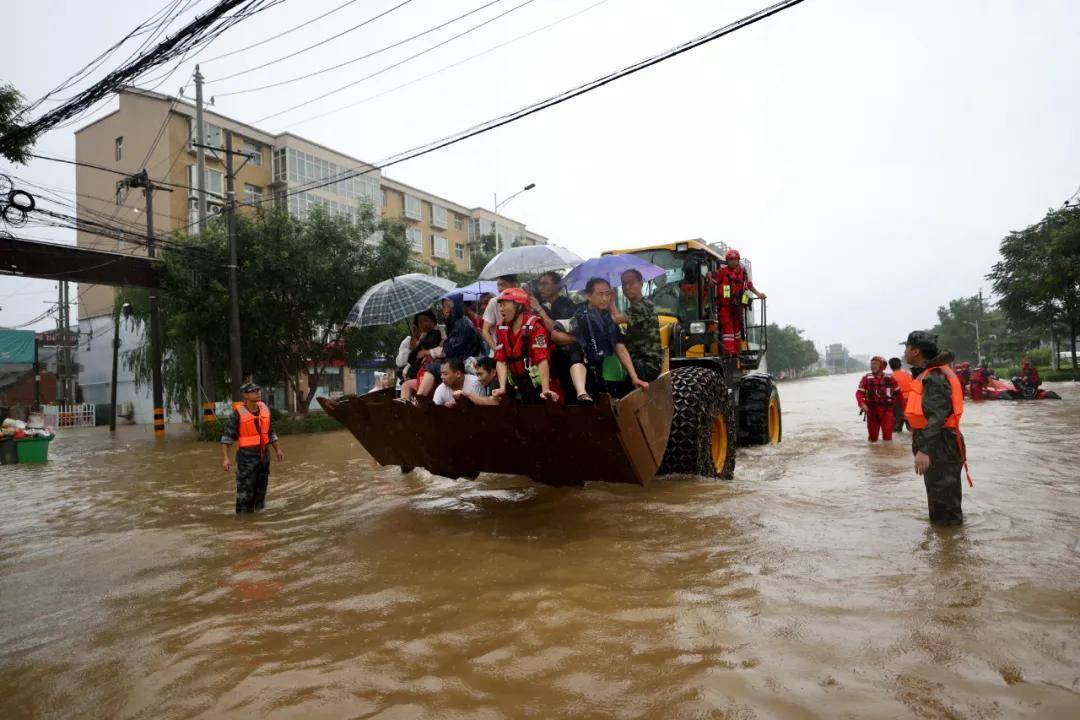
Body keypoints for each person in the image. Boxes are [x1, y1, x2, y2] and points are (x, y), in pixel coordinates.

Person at [902, 331, 970, 527]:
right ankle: (947, 547)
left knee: (945, 506)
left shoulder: (934, 376)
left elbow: (937, 416)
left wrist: (924, 450)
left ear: (915, 351)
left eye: (906, 348)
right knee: (940, 500)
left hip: (941, 445)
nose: (905, 352)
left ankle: (951, 550)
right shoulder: (930, 373)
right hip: (940, 443)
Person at [553, 278, 649, 403]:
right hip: (579, 375)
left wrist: (634, 377)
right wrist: (581, 338)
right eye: (600, 294)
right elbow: (555, 335)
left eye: (607, 294)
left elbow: (620, 347)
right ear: (589, 295)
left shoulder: (608, 318)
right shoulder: (578, 314)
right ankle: (581, 393)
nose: (605, 298)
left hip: (602, 373)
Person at [220, 382, 285, 514]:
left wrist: (278, 449)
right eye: (254, 391)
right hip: (246, 459)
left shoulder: (265, 409)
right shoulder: (237, 414)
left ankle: (258, 519)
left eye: (258, 390)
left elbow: (270, 433)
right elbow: (227, 438)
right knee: (245, 494)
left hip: (264, 457)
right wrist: (226, 458)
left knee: (261, 491)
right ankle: (243, 522)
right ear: (245, 395)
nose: (258, 393)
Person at [492, 287, 559, 403]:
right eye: (500, 305)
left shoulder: (535, 327)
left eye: (504, 305)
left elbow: (542, 359)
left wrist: (545, 389)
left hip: (539, 386)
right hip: (518, 384)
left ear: (519, 306)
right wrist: (502, 387)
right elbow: (500, 359)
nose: (501, 309)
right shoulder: (501, 327)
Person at [416, 294, 483, 397]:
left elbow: (449, 351)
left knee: (432, 368)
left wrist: (443, 345)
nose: (446, 310)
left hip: (462, 362)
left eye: (449, 306)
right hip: (459, 360)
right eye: (444, 307)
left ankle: (419, 398)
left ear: (455, 307)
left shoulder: (460, 324)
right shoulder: (455, 323)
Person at [532, 270, 579, 400]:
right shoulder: (546, 306)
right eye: (539, 284)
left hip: (570, 359)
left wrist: (539, 310)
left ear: (557, 286)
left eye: (545, 284)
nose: (540, 288)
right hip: (555, 361)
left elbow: (556, 330)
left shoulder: (566, 304)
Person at [710, 248, 765, 356]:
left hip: (738, 306)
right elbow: (712, 282)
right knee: (727, 328)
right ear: (727, 260)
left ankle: (737, 350)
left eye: (735, 259)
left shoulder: (743, 272)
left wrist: (759, 294)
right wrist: (709, 277)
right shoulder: (722, 272)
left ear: (738, 260)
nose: (733, 261)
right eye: (730, 259)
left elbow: (749, 285)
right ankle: (730, 351)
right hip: (724, 306)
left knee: (737, 329)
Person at [618, 268, 664, 382]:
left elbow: (615, 320)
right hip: (638, 364)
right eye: (624, 284)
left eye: (631, 283)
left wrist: (609, 303)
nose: (627, 287)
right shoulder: (634, 308)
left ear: (641, 283)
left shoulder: (644, 305)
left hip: (646, 366)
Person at [856, 356, 899, 442]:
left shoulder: (890, 379)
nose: (872, 366)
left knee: (888, 439)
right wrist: (862, 403)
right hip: (872, 411)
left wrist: (904, 410)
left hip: (887, 411)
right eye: (871, 364)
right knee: (873, 439)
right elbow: (859, 393)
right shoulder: (866, 379)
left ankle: (887, 454)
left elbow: (899, 395)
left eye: (875, 364)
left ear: (882, 366)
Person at [482, 275, 522, 352]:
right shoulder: (494, 302)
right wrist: (495, 349)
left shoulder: (523, 302)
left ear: (514, 285)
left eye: (503, 285)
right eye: (498, 285)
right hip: (500, 353)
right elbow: (485, 330)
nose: (499, 289)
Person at [396, 311, 437, 383]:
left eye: (426, 320)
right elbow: (400, 363)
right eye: (420, 323)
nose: (423, 325)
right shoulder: (408, 341)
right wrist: (410, 349)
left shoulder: (436, 333)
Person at [888, 357, 912, 434]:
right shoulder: (908, 374)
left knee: (895, 430)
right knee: (912, 428)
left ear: (890, 366)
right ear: (900, 365)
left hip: (897, 403)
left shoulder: (890, 377)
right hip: (911, 402)